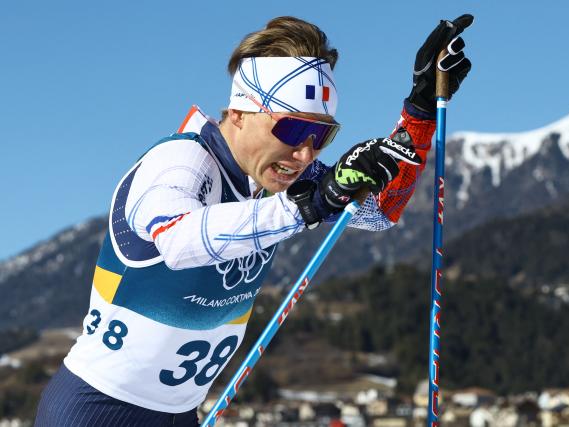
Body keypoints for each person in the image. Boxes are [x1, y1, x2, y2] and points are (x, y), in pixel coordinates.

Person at [35, 14, 472, 427]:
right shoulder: (180, 161)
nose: (305, 154)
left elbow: (379, 214)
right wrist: (310, 203)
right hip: (96, 409)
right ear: (240, 113)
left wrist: (419, 113)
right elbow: (178, 239)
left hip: (180, 412)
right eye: (293, 130)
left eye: (321, 135)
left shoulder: (275, 178)